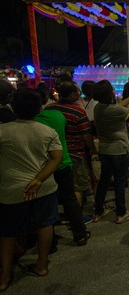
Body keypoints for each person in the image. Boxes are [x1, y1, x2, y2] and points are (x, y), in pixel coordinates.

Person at [0, 89, 63, 291]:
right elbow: (57, 158)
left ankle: (5, 275)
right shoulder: (46, 131)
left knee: (8, 232)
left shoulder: (3, 131)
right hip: (43, 187)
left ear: (14, 107)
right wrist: (38, 179)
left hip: (12, 189)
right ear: (38, 108)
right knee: (45, 224)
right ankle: (41, 265)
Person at [35, 88, 90, 246]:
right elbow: (85, 135)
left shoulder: (47, 113)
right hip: (68, 157)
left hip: (43, 163)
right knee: (72, 194)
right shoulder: (68, 114)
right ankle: (79, 234)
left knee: (46, 201)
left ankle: (49, 241)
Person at [92, 80, 129, 224]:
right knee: (120, 181)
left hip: (105, 149)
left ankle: (98, 211)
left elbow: (118, 107)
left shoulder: (99, 108)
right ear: (109, 93)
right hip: (120, 149)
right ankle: (121, 213)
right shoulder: (114, 110)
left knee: (104, 179)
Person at [45, 81, 97, 218]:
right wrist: (93, 149)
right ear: (72, 94)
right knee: (77, 187)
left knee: (60, 186)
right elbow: (86, 136)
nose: (80, 94)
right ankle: (75, 217)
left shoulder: (50, 108)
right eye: (78, 92)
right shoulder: (78, 112)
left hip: (54, 154)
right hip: (76, 154)